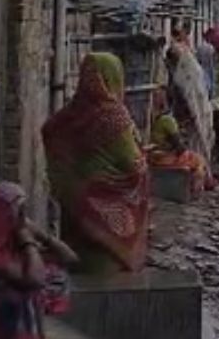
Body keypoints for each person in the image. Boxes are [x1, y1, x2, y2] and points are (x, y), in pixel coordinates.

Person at [42, 53, 150, 274]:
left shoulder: (68, 116)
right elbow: (134, 166)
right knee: (105, 270)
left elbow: (49, 133)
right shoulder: (115, 119)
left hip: (75, 210)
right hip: (107, 218)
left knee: (78, 266)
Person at [0, 182, 78, 339]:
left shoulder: (14, 246)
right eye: (19, 212)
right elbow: (34, 280)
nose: (22, 218)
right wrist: (28, 242)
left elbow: (69, 259)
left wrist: (41, 235)